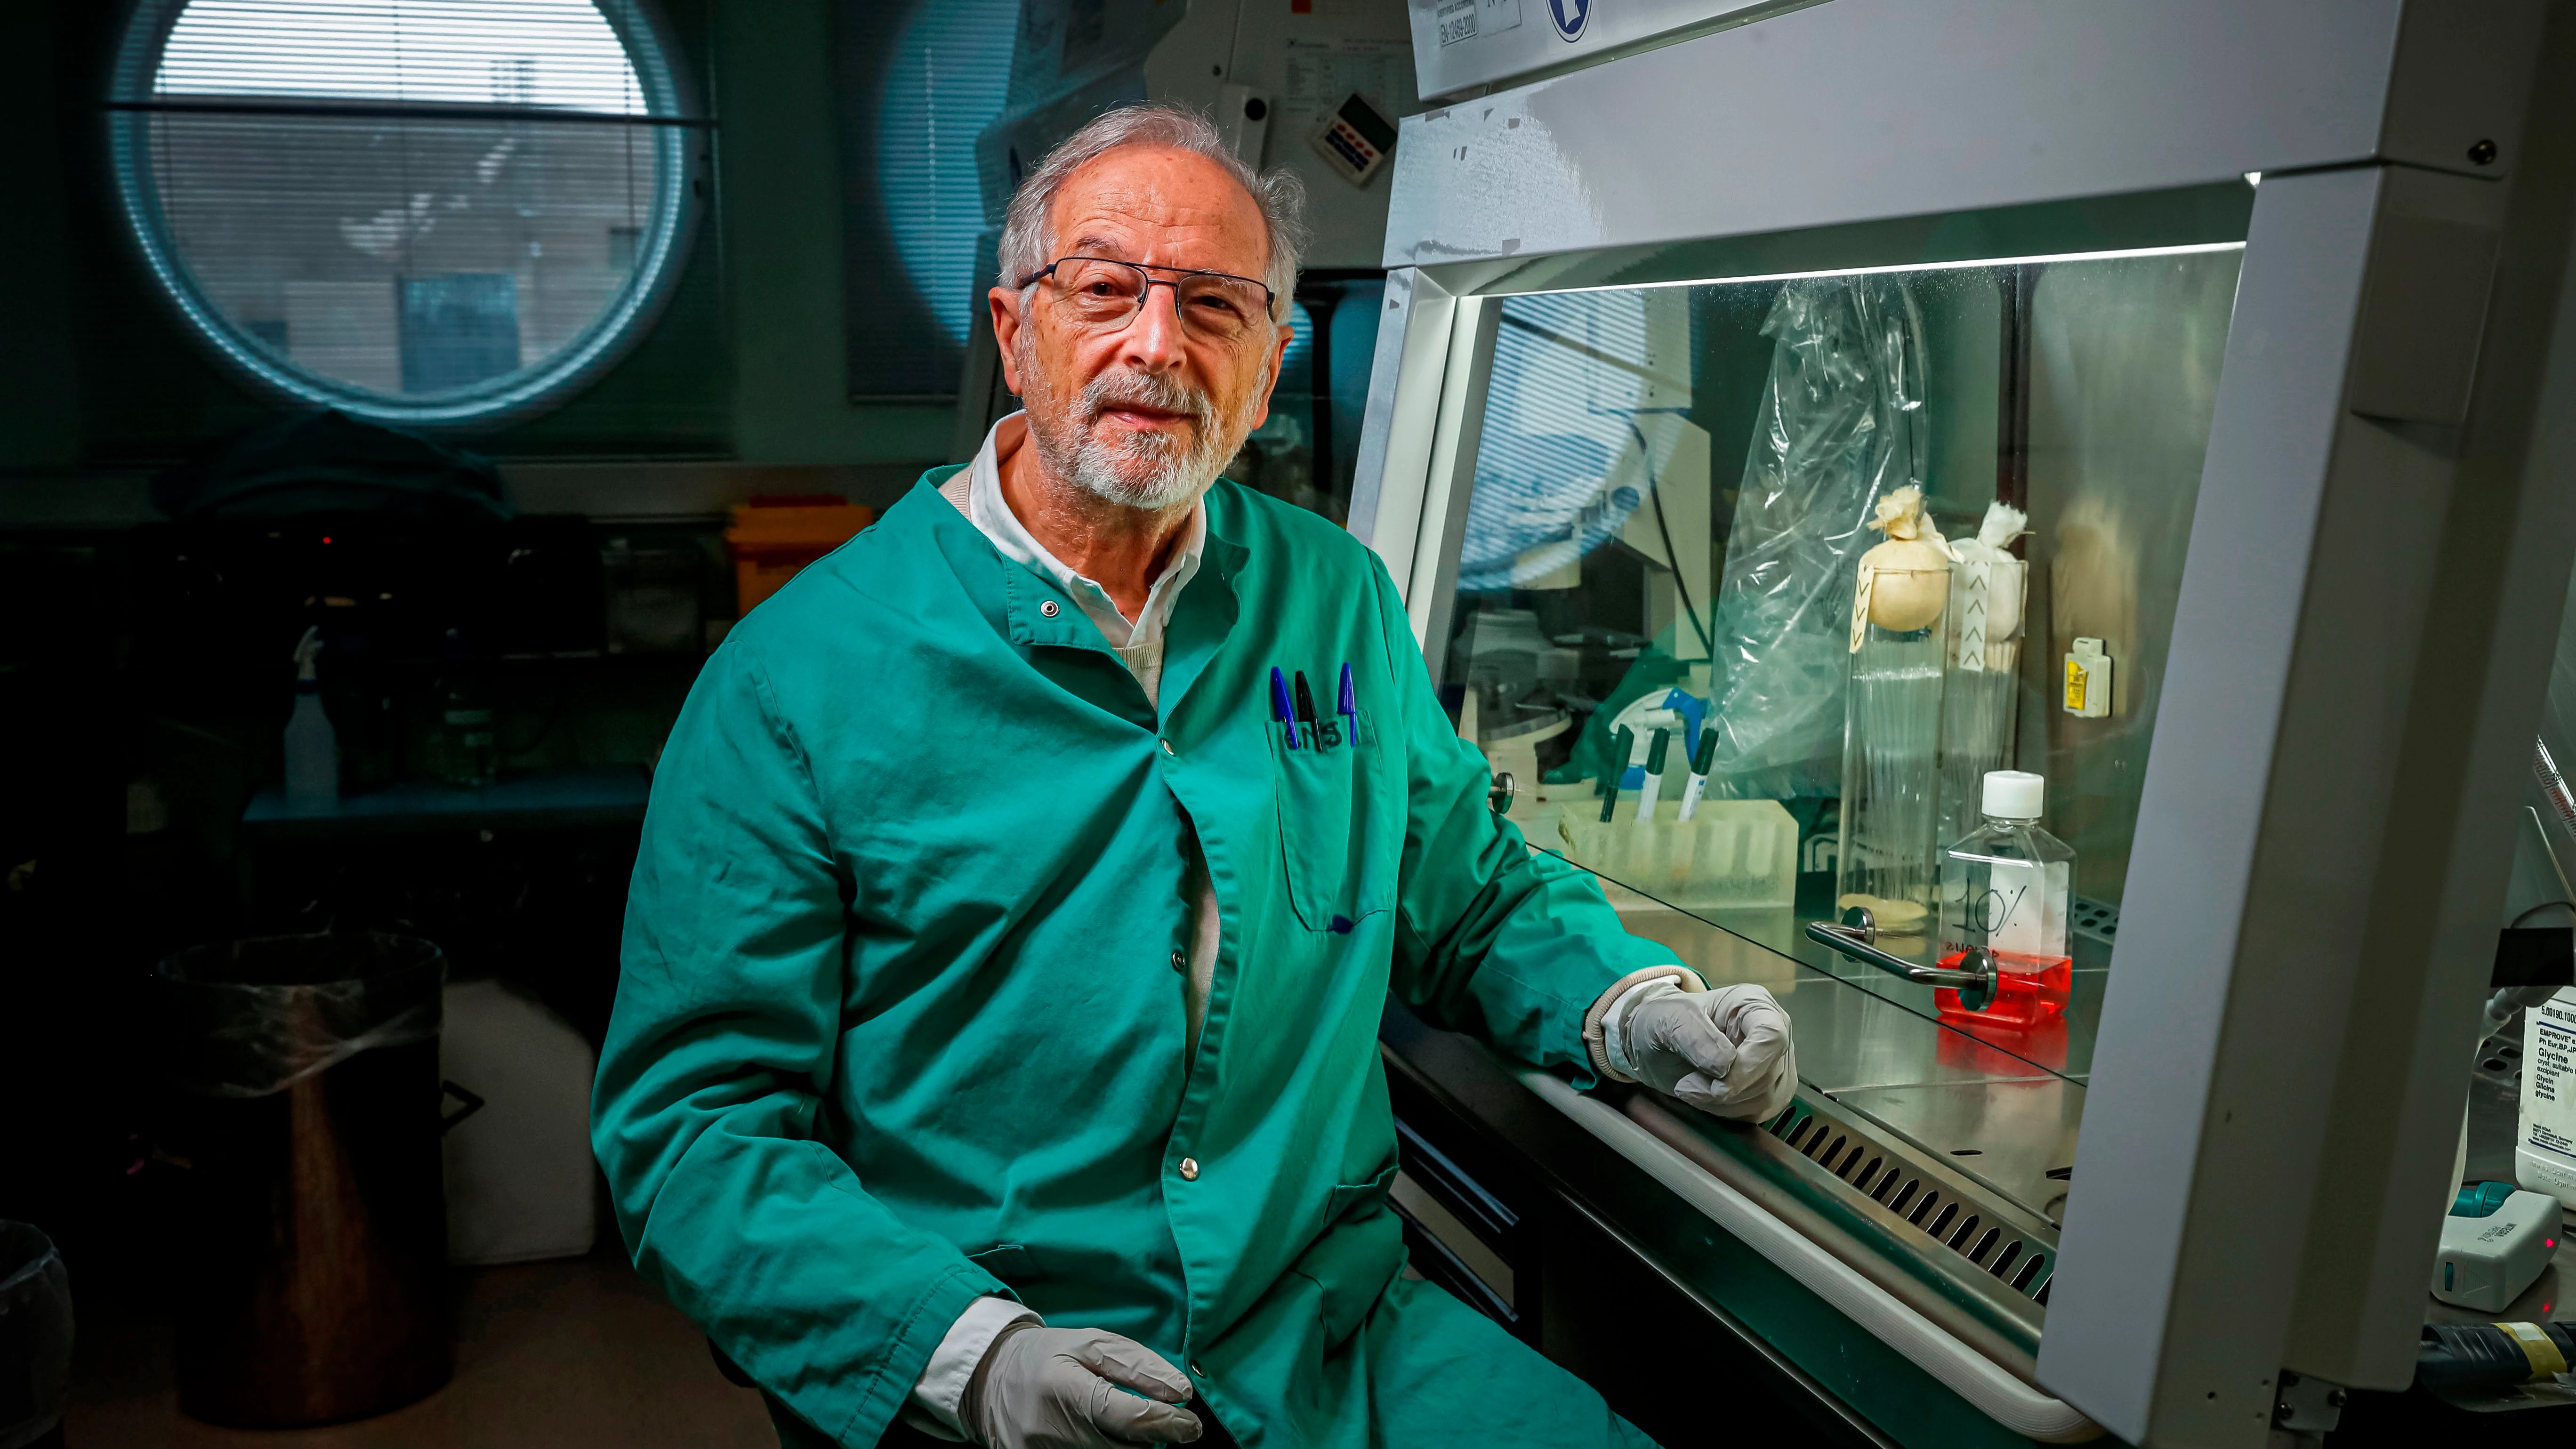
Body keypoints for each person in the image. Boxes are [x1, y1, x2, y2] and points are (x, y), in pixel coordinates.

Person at [591, 104, 1796, 1449]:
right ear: (1013, 332)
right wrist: (981, 1362)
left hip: (1326, 1337)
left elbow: (1464, 892)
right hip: (994, 1360)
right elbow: (694, 1134)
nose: (1155, 346)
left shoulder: (1330, 598)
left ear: (1271, 363)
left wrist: (1629, 1004)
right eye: (1104, 289)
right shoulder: (794, 678)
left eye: (1214, 306)